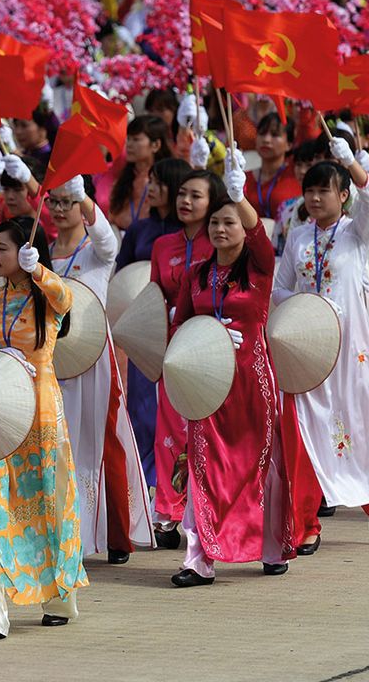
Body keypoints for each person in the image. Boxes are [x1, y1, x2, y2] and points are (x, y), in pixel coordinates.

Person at [169, 152, 295, 586]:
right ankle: (197, 559)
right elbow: (180, 326)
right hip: (208, 382)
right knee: (204, 464)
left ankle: (271, 546)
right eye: (216, 224)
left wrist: (239, 194)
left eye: (230, 223)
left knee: (260, 463)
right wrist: (206, 334)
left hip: (252, 379)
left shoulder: (259, 268)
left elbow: (260, 232)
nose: (221, 230)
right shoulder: (196, 276)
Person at [0, 216, 87, 642]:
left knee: (48, 503)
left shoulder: (45, 298)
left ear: (25, 252)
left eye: (2, 248)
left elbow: (66, 297)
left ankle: (60, 596)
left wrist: (38, 272)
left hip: (39, 413)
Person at [273, 147, 369, 555]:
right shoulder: (297, 236)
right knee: (304, 434)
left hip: (350, 353)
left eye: (324, 190)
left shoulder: (356, 232)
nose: (314, 198)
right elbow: (279, 288)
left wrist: (351, 163)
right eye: (309, 191)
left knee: (352, 430)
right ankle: (306, 525)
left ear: (343, 196)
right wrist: (306, 310)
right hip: (308, 349)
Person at [47, 174, 153, 563]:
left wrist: (86, 200)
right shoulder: (39, 250)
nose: (60, 210)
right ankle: (64, 530)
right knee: (58, 441)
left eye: (68, 201)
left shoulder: (97, 249)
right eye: (54, 202)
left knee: (105, 439)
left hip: (94, 356)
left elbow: (109, 239)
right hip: (53, 356)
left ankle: (117, 536)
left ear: (83, 202)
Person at [144, 167, 215, 548]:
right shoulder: (162, 246)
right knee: (170, 428)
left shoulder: (220, 240)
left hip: (211, 347)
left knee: (208, 429)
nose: (186, 201)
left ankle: (206, 507)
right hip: (174, 348)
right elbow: (155, 296)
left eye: (196, 195)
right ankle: (170, 512)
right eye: (182, 194)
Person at [114, 158, 192, 489]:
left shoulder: (189, 234)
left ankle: (175, 482)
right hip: (146, 332)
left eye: (159, 183)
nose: (152, 189)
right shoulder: (138, 230)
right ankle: (145, 483)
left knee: (178, 412)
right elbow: (122, 275)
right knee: (143, 410)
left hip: (183, 331)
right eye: (151, 182)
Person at [109, 115, 173, 231]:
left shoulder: (168, 180)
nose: (128, 145)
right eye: (128, 139)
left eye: (136, 139)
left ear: (156, 145)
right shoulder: (124, 178)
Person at [245, 113, 302, 221]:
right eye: (262, 133)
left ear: (289, 144)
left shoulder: (298, 174)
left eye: (275, 135)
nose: (266, 139)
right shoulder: (242, 179)